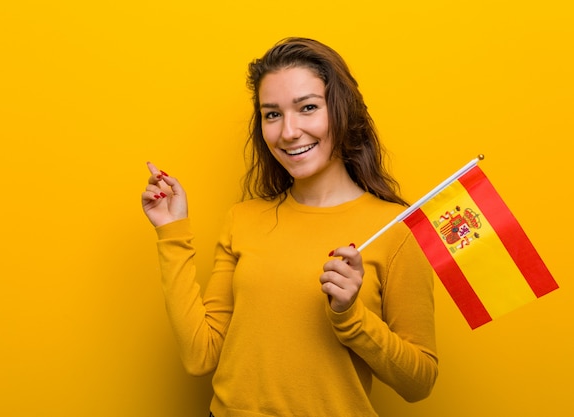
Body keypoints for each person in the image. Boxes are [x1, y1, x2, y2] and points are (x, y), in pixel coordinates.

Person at [141, 37, 438, 417]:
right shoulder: (243, 218)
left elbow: (419, 383)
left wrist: (351, 316)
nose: (289, 132)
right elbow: (200, 355)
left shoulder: (397, 230)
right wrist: (172, 231)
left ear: (342, 112)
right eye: (272, 114)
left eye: (308, 108)